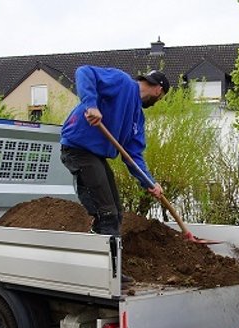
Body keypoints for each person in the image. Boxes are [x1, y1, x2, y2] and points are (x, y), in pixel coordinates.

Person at [60, 66, 169, 285]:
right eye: (161, 98)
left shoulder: (136, 117)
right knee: (107, 213)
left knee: (117, 212)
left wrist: (149, 182)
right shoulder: (122, 82)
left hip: (95, 156)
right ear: (159, 91)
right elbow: (83, 72)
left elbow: (133, 154)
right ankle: (107, 274)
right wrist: (91, 105)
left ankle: (109, 268)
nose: (158, 102)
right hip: (78, 149)